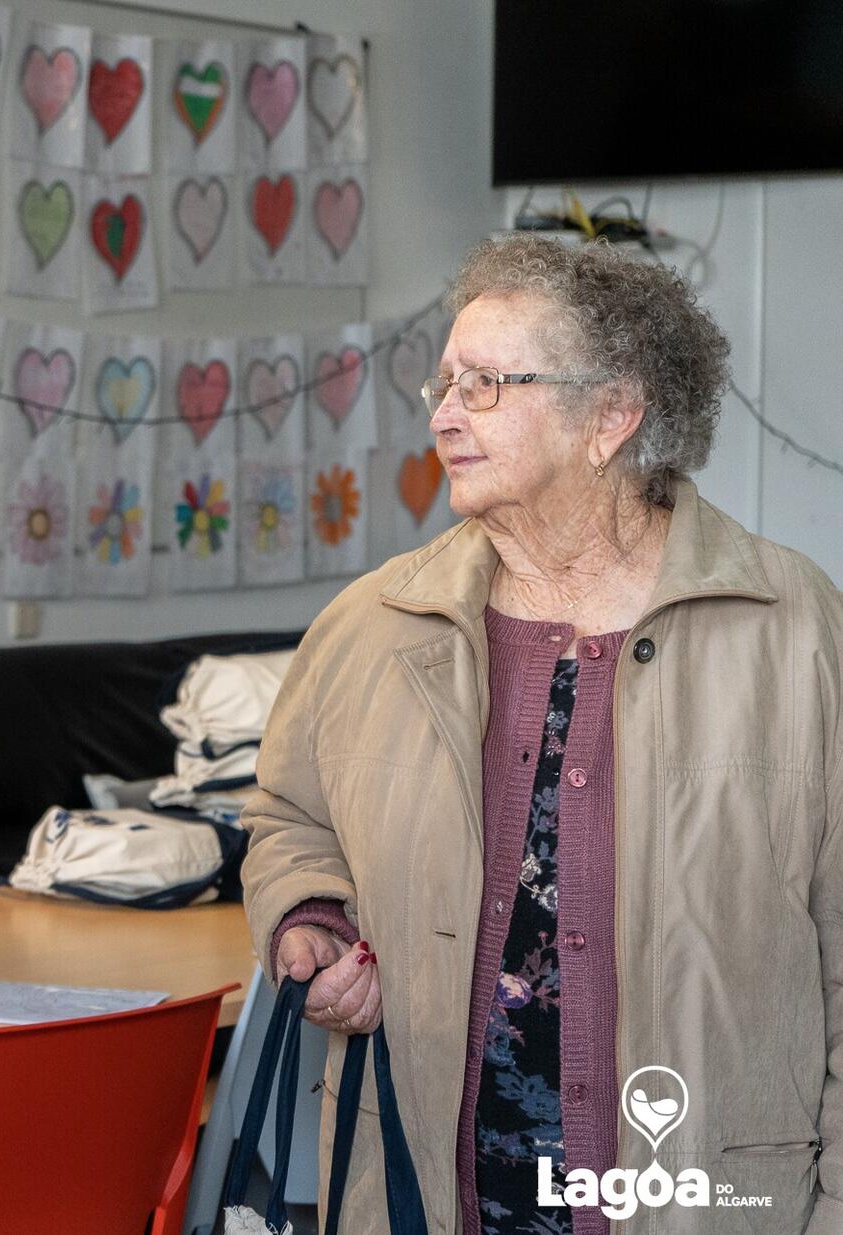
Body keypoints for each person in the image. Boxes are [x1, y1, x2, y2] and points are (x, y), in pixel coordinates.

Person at [241, 235, 843, 1234]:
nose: (441, 412)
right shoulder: (369, 623)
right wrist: (312, 917)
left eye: (485, 384)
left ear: (609, 415)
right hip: (427, 1190)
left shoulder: (792, 628)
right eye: (443, 380)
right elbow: (290, 816)